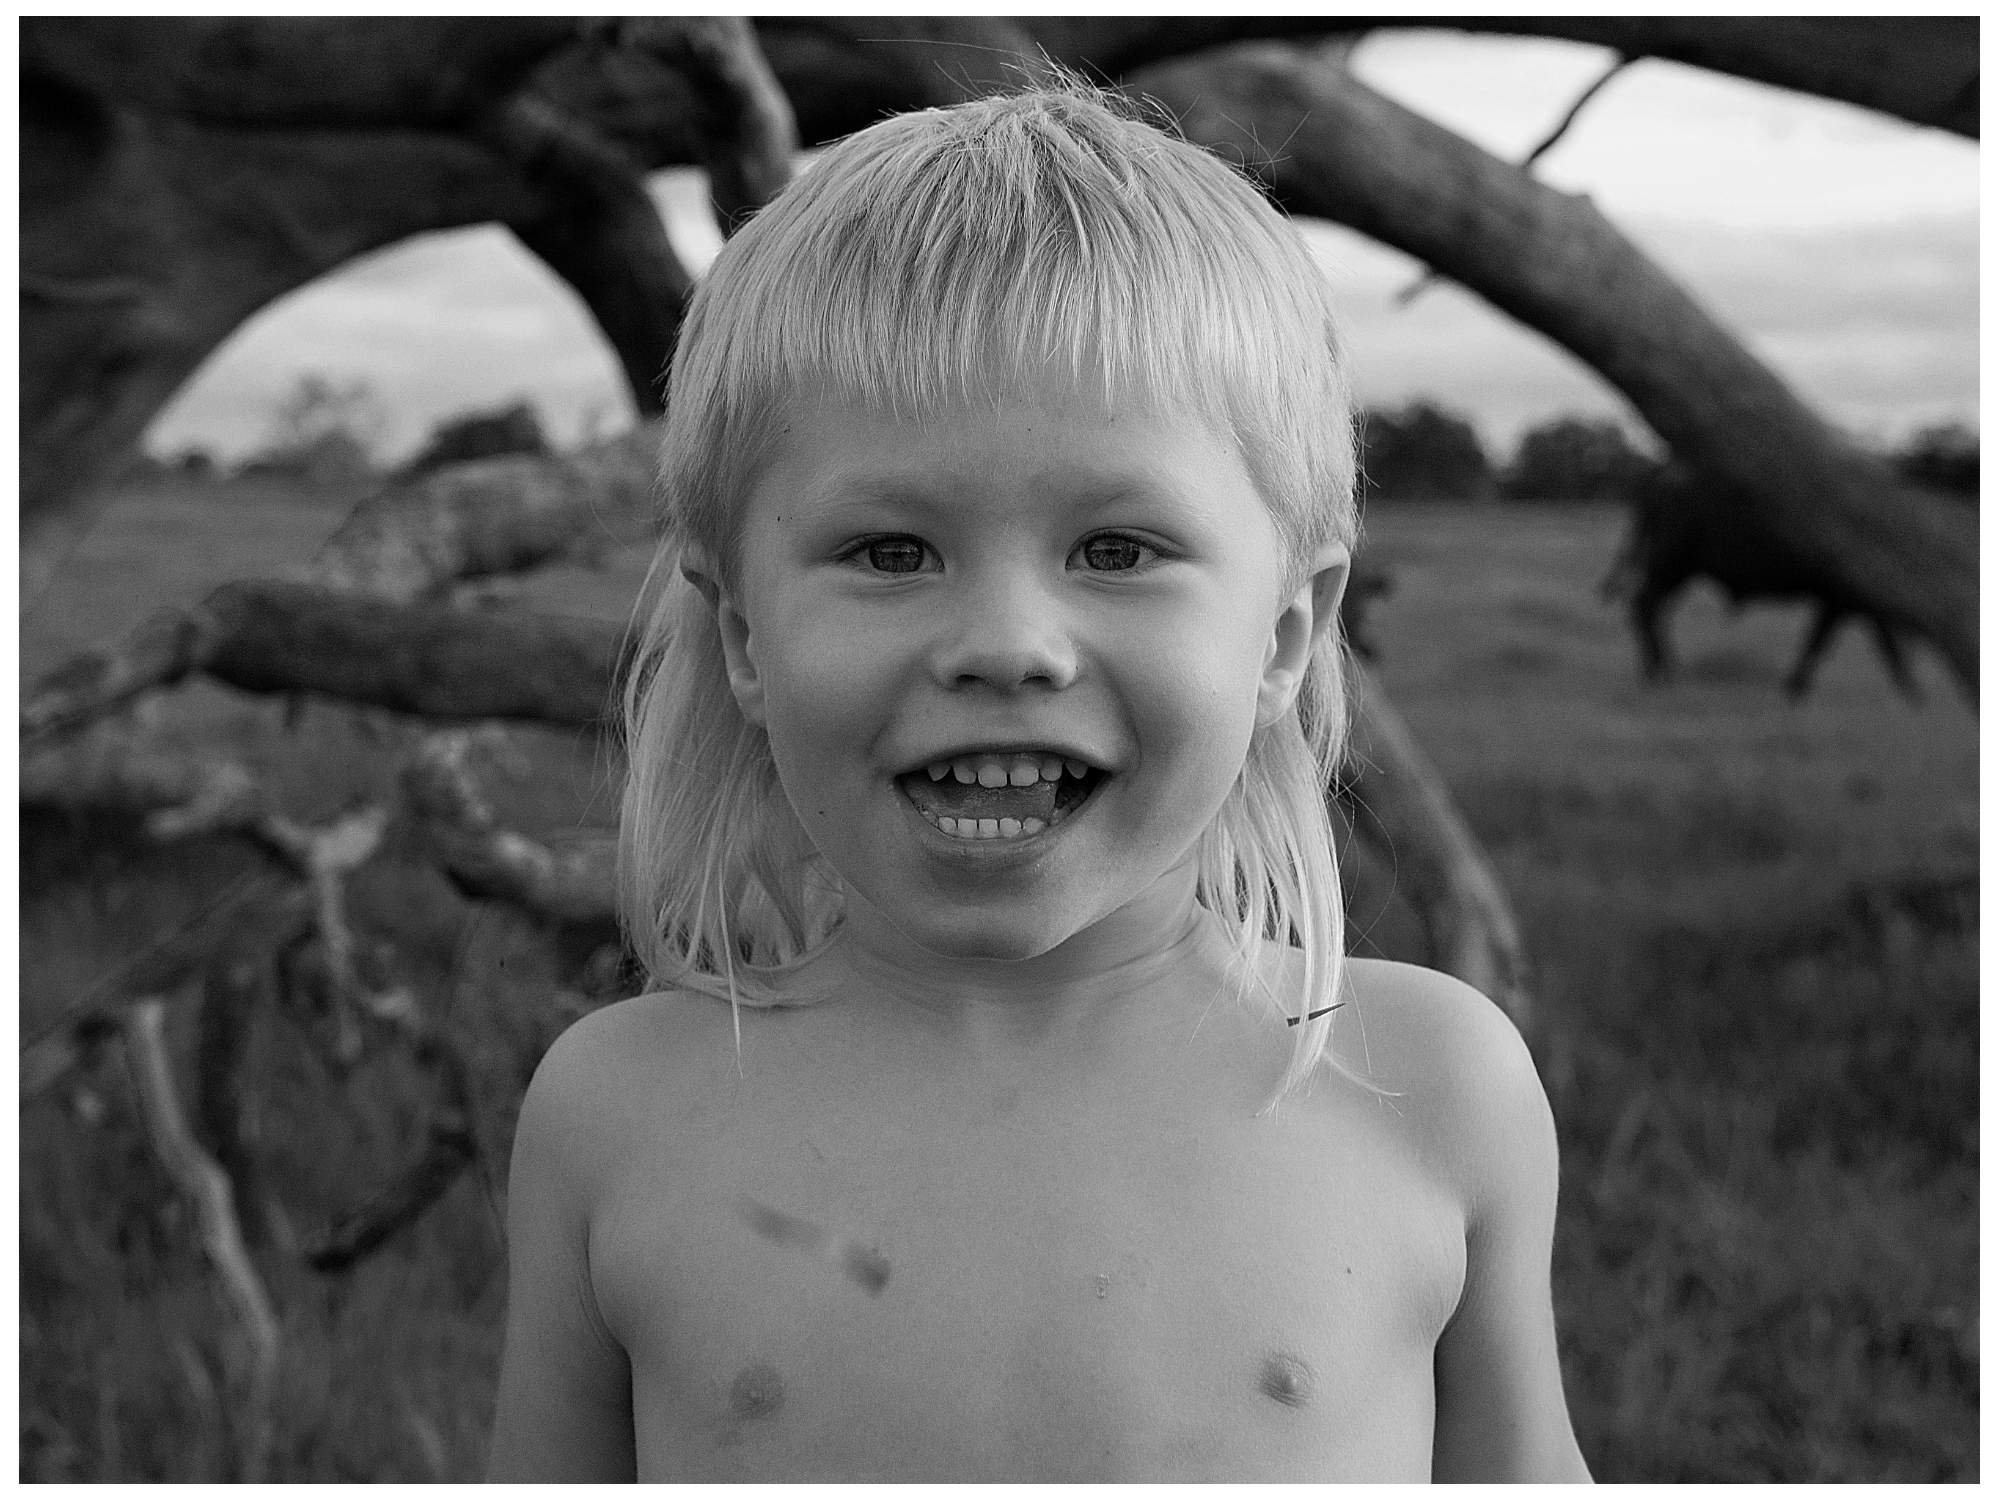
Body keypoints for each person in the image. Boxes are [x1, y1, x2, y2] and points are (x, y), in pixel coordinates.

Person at [488, 82, 1590, 1483]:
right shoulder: (619, 1113)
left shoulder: (1431, 1087)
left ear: (1285, 636)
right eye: (892, 553)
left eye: (1118, 550)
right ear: (744, 640)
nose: (1006, 644)